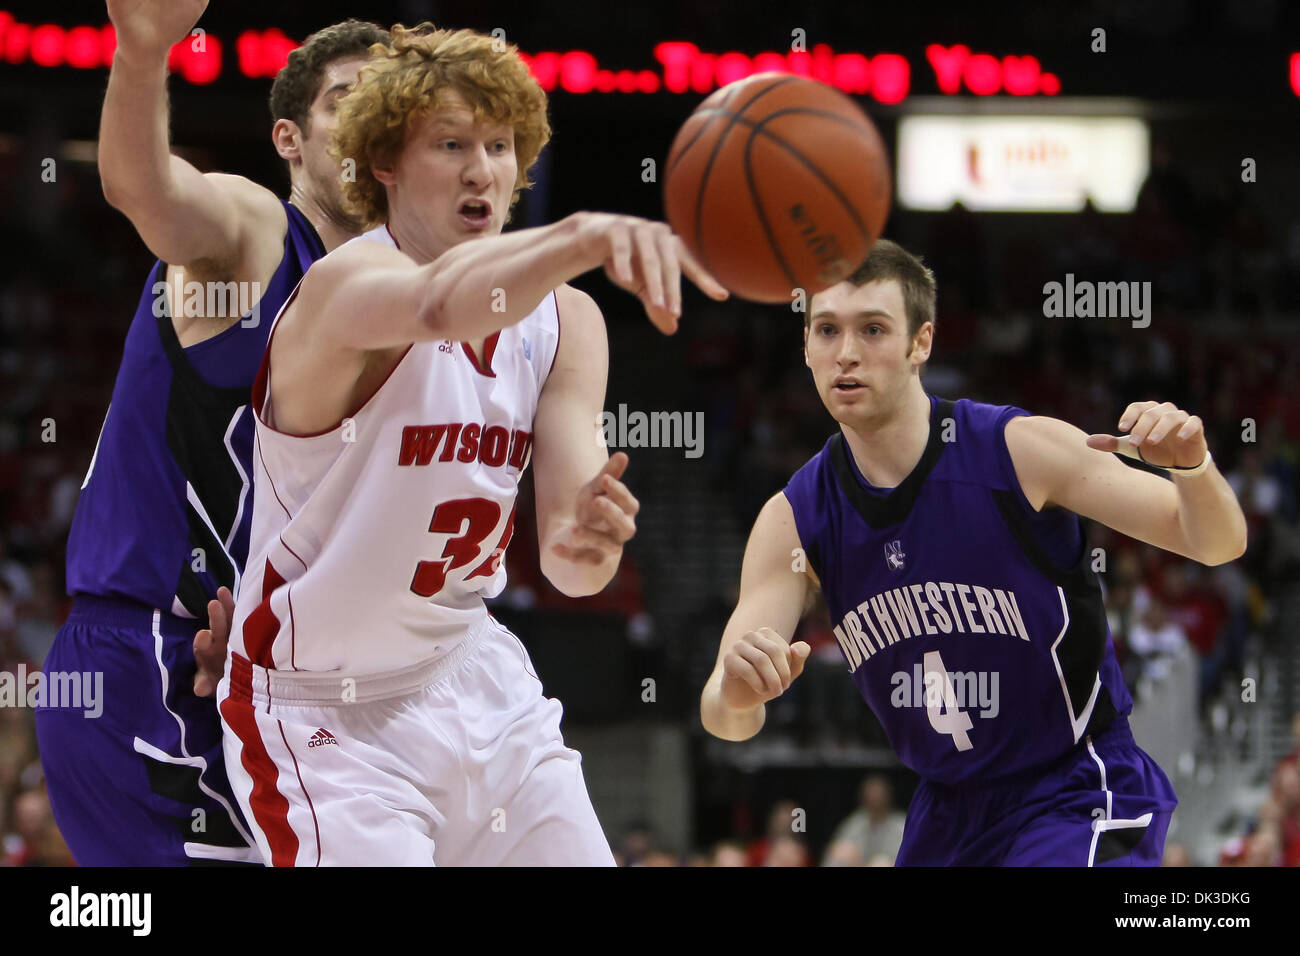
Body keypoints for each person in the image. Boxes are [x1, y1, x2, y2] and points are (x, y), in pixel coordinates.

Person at [217, 23, 725, 866]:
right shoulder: (346, 285)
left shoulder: (567, 320)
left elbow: (572, 565)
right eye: (450, 143)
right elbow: (439, 307)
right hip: (324, 717)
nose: (482, 168)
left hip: (475, 678)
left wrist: (587, 541)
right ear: (383, 162)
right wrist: (585, 237)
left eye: (499, 145)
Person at [700, 239, 1248, 866]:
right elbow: (723, 711)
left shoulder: (1017, 451)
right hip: (947, 810)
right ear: (805, 347)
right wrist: (738, 695)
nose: (846, 353)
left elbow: (1218, 543)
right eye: (826, 329)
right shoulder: (794, 519)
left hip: (1072, 786)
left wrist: (1194, 466)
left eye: (873, 329)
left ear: (920, 343)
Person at [35, 1, 388, 865]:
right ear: (289, 141)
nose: (374, 118)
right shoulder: (257, 235)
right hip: (147, 663)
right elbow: (143, 190)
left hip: (263, 677)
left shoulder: (404, 309)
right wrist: (145, 50)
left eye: (393, 104)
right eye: (348, 97)